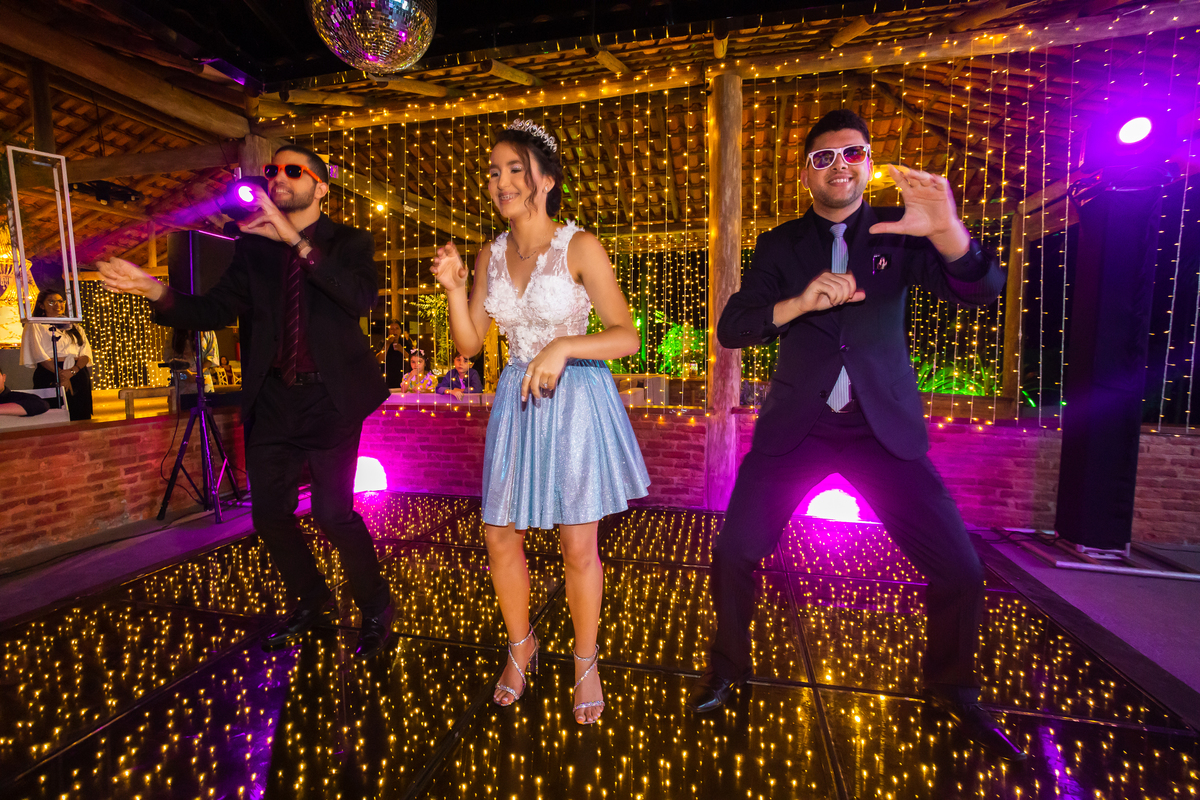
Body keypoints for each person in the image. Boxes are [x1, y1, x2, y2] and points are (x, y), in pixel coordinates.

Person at [688, 109, 1024, 762]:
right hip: (798, 428)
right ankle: (727, 671)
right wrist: (800, 302)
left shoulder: (902, 231)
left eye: (852, 153)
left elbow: (982, 289)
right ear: (804, 174)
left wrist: (949, 232)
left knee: (961, 568)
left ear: (869, 164)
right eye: (823, 157)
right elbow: (734, 327)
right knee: (732, 553)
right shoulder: (780, 245)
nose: (838, 165)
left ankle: (952, 690)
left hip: (882, 430)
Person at [96, 144, 394, 659]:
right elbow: (212, 310)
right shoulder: (252, 249)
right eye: (272, 169)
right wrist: (154, 290)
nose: (277, 176)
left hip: (330, 398)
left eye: (293, 170)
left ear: (321, 187)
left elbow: (358, 297)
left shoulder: (349, 241)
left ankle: (376, 607)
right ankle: (313, 601)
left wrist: (294, 240)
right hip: (273, 399)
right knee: (269, 516)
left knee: (332, 514)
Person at [430, 118, 649, 725]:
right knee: (499, 535)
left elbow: (626, 337)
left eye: (514, 170)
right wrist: (453, 290)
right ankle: (521, 646)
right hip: (517, 403)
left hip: (575, 402)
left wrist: (564, 346)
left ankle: (586, 660)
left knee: (578, 545)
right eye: (493, 172)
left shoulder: (580, 247)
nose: (500, 182)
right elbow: (470, 344)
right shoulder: (489, 254)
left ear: (546, 180)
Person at [19, 289, 93, 420]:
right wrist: (61, 375)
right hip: (50, 372)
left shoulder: (75, 327)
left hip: (77, 372)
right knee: (54, 414)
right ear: (42, 306)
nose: (58, 305)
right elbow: (39, 354)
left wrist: (72, 371)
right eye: (51, 302)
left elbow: (85, 353)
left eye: (60, 301)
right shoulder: (35, 325)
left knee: (80, 413)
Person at [164, 328, 218, 394]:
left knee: (205, 400)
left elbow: (212, 357)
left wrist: (199, 372)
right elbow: (169, 358)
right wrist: (187, 374)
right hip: (181, 380)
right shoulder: (174, 331)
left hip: (202, 380)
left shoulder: (207, 330)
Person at [377, 319, 413, 388]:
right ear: (388, 331)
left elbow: (413, 360)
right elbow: (379, 360)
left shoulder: (405, 343)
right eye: (392, 329)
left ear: (400, 331)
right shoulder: (383, 342)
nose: (394, 331)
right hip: (386, 378)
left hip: (403, 377)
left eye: (397, 328)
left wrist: (402, 350)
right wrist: (387, 344)